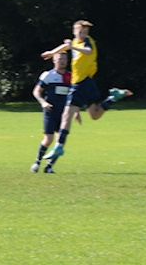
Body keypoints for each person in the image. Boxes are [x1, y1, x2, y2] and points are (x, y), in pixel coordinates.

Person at [39, 20, 131, 168]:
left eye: (85, 32)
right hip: (88, 83)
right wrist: (52, 52)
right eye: (80, 32)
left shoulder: (88, 42)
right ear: (74, 31)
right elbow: (67, 46)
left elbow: (87, 51)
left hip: (80, 83)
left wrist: (72, 46)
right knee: (95, 114)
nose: (83, 35)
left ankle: (59, 146)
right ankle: (113, 98)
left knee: (66, 115)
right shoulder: (76, 41)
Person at [30, 49, 71, 171]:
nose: (62, 61)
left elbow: (73, 96)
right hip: (51, 112)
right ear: (54, 60)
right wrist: (43, 102)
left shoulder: (71, 76)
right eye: (60, 59)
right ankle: (37, 162)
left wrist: (76, 112)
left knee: (60, 141)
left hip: (64, 114)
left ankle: (49, 166)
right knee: (48, 139)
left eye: (64, 59)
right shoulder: (48, 75)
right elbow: (36, 91)